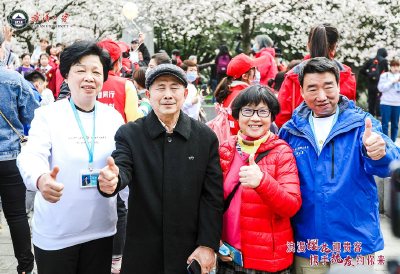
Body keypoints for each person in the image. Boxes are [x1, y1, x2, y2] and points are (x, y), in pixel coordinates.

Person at [97, 64, 224, 274]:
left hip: (189, 249)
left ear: (184, 94)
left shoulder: (205, 136)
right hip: (143, 248)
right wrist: (113, 180)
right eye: (160, 87)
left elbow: (213, 196)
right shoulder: (130, 134)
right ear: (147, 94)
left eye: (174, 88)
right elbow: (122, 166)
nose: (167, 95)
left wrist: (208, 245)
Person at [279, 57, 400, 274]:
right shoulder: (289, 132)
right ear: (302, 91)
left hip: (354, 245)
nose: (322, 96)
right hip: (307, 244)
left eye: (328, 87)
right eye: (313, 89)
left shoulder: (361, 124)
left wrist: (378, 152)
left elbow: (390, 161)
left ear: (338, 85)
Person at [17, 40, 125, 274]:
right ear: (66, 75)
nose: (89, 77)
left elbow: (124, 164)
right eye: (80, 70)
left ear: (104, 77)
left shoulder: (114, 117)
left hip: (101, 230)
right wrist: (40, 179)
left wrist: (118, 179)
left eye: (96, 71)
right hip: (57, 232)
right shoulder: (48, 115)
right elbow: (31, 154)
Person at [217, 85, 301, 273]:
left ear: (272, 117)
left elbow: (291, 206)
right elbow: (211, 201)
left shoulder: (282, 152)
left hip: (267, 262)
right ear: (237, 115)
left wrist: (262, 182)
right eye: (247, 111)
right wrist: (213, 239)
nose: (255, 118)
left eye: (263, 111)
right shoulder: (225, 149)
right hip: (229, 256)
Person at [0, 31, 39, 274]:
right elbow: (33, 116)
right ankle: (25, 267)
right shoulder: (13, 79)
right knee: (16, 216)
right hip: (10, 156)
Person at [275, 23, 357, 129]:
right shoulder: (347, 75)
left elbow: (281, 118)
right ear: (335, 46)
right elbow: (350, 114)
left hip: (299, 140)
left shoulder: (293, 75)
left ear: (308, 45)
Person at [97, 38, 150, 123]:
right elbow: (134, 119)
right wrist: (146, 105)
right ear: (118, 62)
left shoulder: (86, 82)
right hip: (120, 134)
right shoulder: (126, 84)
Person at [213, 53, 268, 135]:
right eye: (255, 69)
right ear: (245, 76)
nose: (257, 72)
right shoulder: (247, 96)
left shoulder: (228, 92)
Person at [360, 48, 389, 117]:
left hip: (371, 84)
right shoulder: (384, 61)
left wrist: (368, 75)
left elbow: (362, 70)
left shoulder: (371, 61)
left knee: (371, 100)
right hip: (380, 83)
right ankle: (379, 116)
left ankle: (370, 116)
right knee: (378, 99)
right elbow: (387, 73)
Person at [377, 59, 400, 142]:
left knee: (395, 124)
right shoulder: (385, 75)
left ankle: (393, 142)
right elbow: (380, 88)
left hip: (397, 103)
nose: (396, 68)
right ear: (390, 67)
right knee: (385, 123)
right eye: (394, 66)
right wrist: (392, 82)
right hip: (386, 102)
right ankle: (385, 142)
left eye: (397, 66)